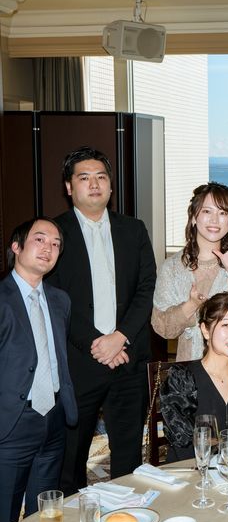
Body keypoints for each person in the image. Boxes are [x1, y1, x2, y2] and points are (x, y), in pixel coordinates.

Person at [46, 146, 156, 495]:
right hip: (79, 363)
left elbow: (146, 287)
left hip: (128, 360)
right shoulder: (54, 233)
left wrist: (120, 337)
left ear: (110, 185)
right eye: (84, 178)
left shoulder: (134, 230)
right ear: (69, 187)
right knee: (70, 460)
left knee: (128, 460)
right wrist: (98, 344)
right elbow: (54, 297)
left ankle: (127, 519)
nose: (94, 184)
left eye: (101, 177)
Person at [0, 218, 77, 522]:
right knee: (5, 521)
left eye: (56, 244)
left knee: (45, 517)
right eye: (40, 239)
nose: (49, 248)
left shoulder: (60, 300)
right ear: (16, 247)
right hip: (11, 423)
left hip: (53, 419)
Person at [160, 292, 228, 459]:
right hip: (191, 470)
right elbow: (183, 450)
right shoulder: (183, 381)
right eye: (226, 325)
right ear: (206, 330)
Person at [152, 183, 228, 361]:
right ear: (194, 217)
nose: (214, 220)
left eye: (222, 213)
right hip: (189, 367)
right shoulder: (173, 267)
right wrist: (191, 304)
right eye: (207, 211)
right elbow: (163, 328)